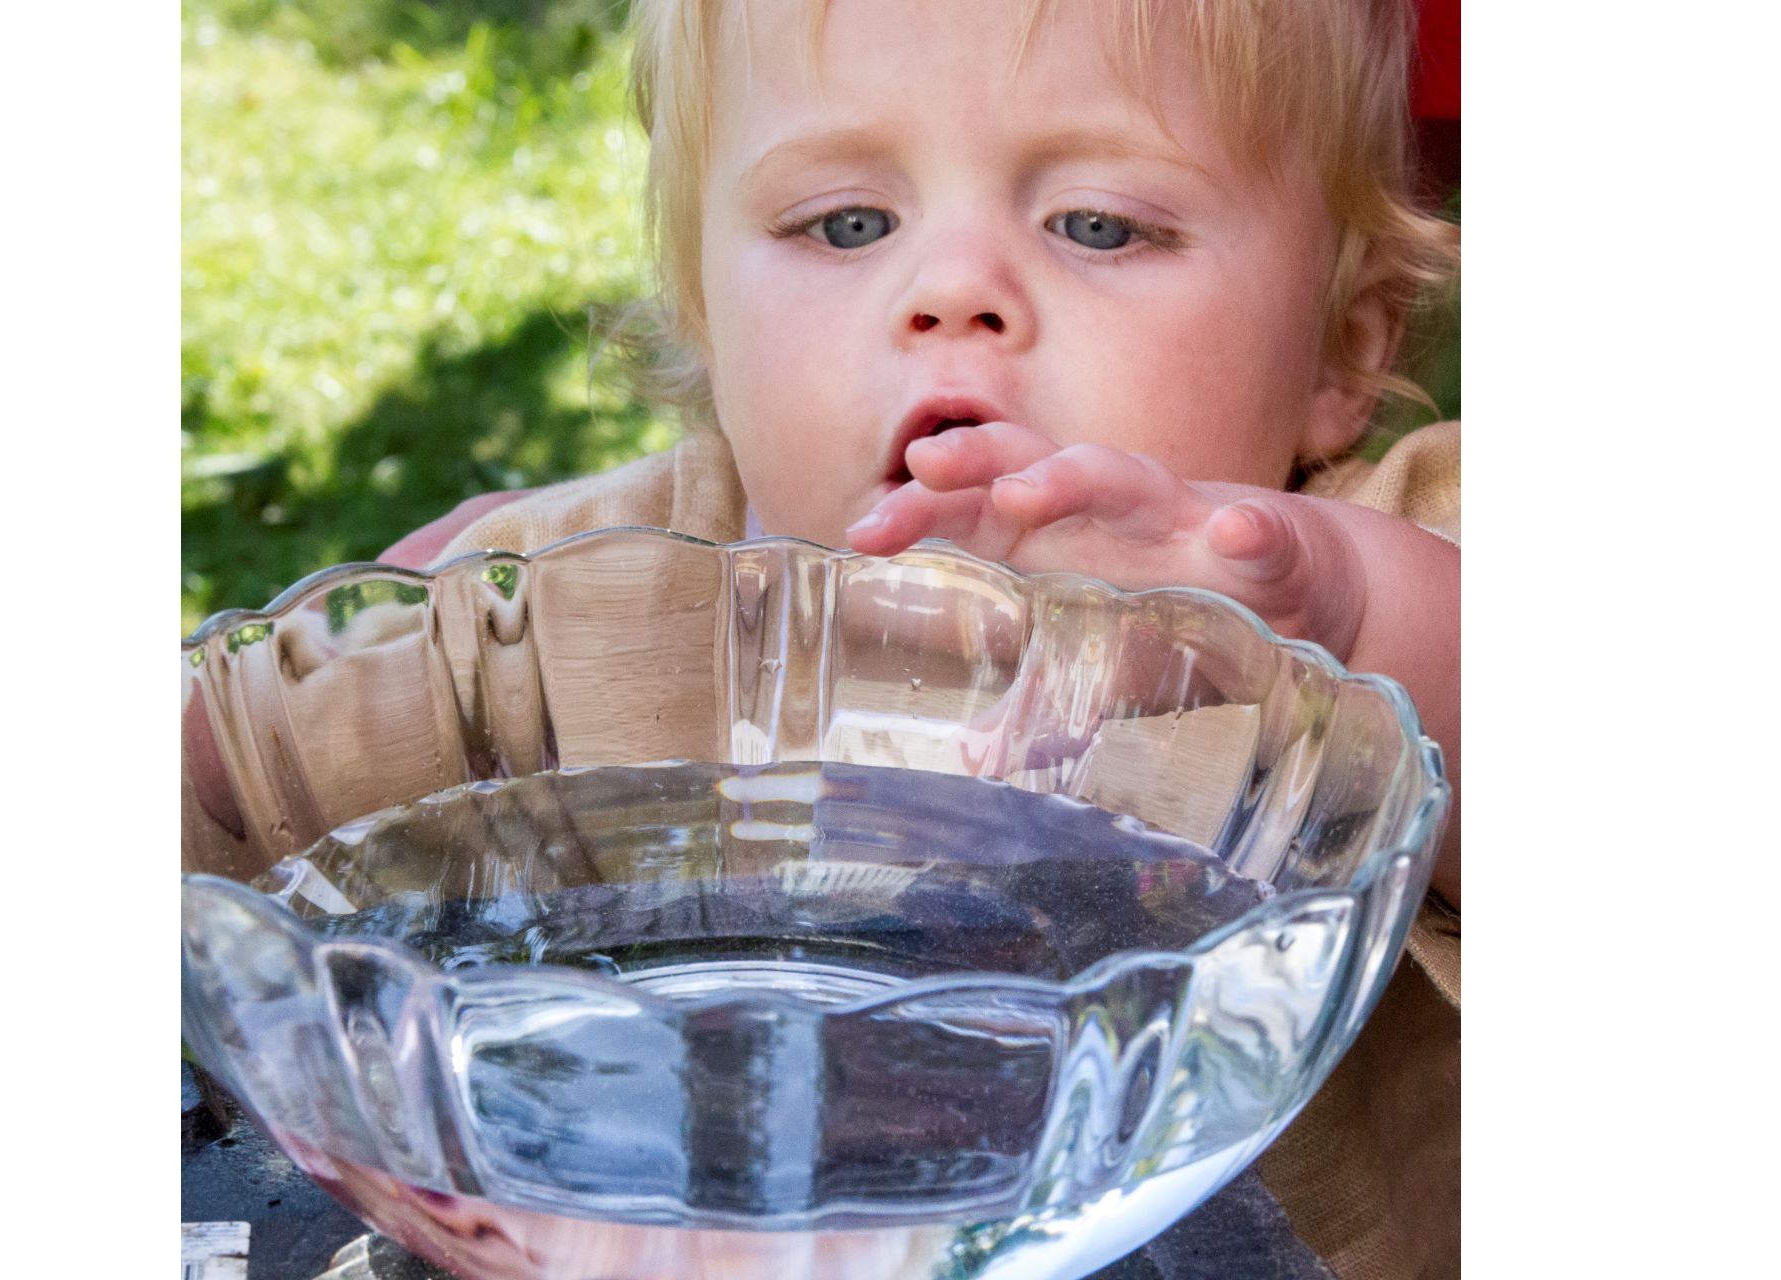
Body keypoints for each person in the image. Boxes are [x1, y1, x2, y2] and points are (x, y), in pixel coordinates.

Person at [341, 0, 1460, 1274]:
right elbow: (232, 797)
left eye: (1098, 223)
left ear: (1340, 347)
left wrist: (1362, 614)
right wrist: (382, 646)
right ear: (705, 309)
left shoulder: (1373, 550)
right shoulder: (605, 584)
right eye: (848, 224)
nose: (951, 292)